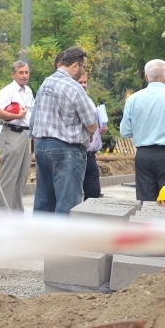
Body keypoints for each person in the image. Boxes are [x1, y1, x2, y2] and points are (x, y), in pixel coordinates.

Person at [30, 46, 98, 213]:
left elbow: (34, 118)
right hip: (66, 151)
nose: (82, 71)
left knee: (44, 202)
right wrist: (89, 131)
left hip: (42, 147)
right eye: (83, 67)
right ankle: (63, 239)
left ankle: (40, 237)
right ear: (75, 65)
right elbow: (91, 123)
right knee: (67, 205)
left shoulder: (46, 82)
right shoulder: (74, 88)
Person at [120, 59, 165, 201]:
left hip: (144, 155)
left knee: (145, 201)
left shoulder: (133, 99)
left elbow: (125, 131)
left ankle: (146, 223)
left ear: (146, 77)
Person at [0, 61, 35, 214]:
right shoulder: (8, 91)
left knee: (21, 179)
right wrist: (16, 115)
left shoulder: (28, 91)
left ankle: (16, 215)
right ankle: (2, 215)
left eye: (26, 72)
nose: (24, 75)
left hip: (27, 136)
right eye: (20, 72)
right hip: (13, 133)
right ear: (13, 74)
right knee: (9, 177)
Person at [77, 73, 107, 199]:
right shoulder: (74, 100)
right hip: (78, 153)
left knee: (94, 195)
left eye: (85, 82)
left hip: (91, 156)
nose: (84, 85)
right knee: (74, 195)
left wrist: (101, 128)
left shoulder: (89, 100)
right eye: (80, 82)